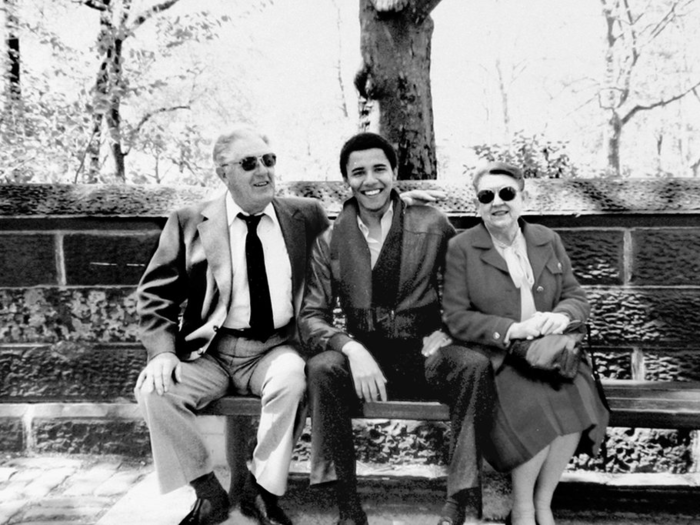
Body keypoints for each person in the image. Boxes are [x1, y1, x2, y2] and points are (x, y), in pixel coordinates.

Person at [134, 125, 330, 525]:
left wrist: (399, 207)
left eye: (269, 161)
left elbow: (349, 242)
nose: (264, 172)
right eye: (249, 163)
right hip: (212, 353)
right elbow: (155, 293)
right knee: (155, 390)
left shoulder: (303, 215)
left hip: (275, 349)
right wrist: (162, 352)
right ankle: (207, 492)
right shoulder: (190, 221)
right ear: (223, 173)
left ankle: (262, 492)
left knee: (293, 379)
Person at [298, 132, 457, 525]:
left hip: (420, 355)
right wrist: (349, 347)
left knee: (473, 367)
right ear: (347, 181)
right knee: (322, 369)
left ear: (395, 172)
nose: (370, 180)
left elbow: (462, 285)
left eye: (379, 169)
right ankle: (348, 507)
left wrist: (449, 329)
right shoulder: (330, 238)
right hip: (364, 360)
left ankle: (458, 502)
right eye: (358, 172)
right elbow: (311, 315)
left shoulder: (431, 221)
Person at [441, 161, 609, 525]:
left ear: (523, 198)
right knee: (535, 406)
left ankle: (543, 503)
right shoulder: (462, 248)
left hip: (550, 354)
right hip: (501, 358)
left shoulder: (548, 239)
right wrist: (510, 330)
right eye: (487, 196)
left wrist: (562, 316)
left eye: (507, 193)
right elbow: (455, 317)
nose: (497, 202)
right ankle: (522, 508)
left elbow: (577, 296)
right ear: (477, 205)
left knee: (578, 395)